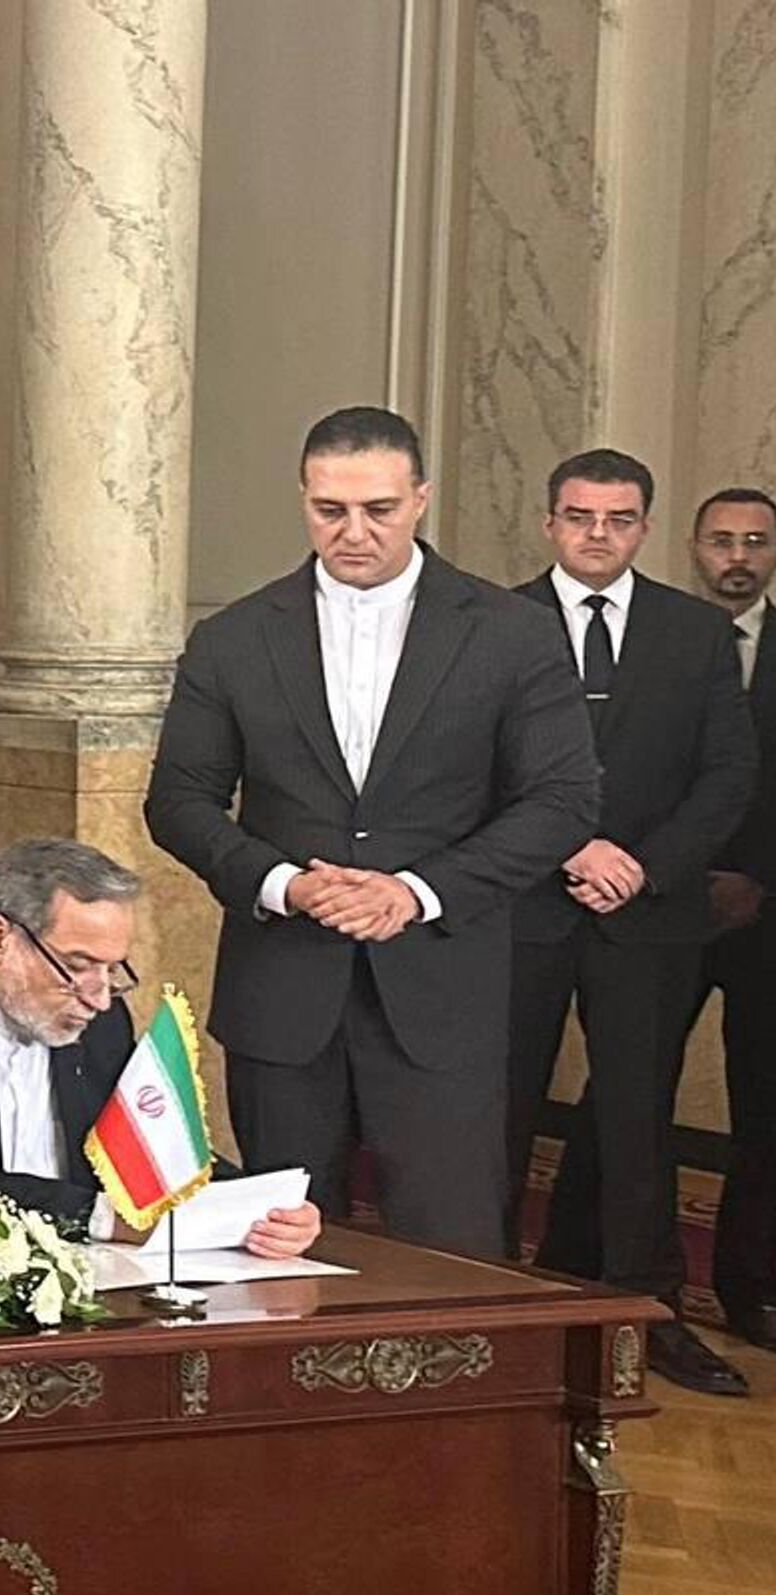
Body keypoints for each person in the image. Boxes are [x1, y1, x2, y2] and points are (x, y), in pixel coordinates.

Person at [144, 406, 601, 1258]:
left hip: (443, 989)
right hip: (282, 991)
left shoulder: (512, 632)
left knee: (450, 1250)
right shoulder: (233, 636)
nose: (353, 532)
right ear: (303, 500)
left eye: (379, 510)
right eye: (330, 510)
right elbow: (178, 799)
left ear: (421, 499)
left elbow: (563, 800)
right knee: (274, 1251)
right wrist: (284, 883)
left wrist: (415, 893)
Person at [504, 453, 759, 1395]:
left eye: (618, 519)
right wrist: (575, 848)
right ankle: (488, 1300)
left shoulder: (697, 632)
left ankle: (648, 1313)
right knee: (498, 1109)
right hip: (524, 906)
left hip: (649, 913)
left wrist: (643, 868)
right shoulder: (494, 622)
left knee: (638, 1117)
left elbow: (728, 774)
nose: (597, 534)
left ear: (646, 528)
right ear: (550, 523)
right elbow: (473, 767)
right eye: (580, 516)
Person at [0, 839, 323, 1257]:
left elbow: (148, 1135)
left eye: (111, 969)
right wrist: (101, 1217)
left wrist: (259, 1207)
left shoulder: (101, 1019)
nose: (98, 997)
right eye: (77, 967)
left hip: (87, 1267)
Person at [680, 487, 776, 1350]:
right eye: (722, 540)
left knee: (765, 1104)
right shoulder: (664, 640)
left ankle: (752, 1288)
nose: (738, 557)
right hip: (664, 905)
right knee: (626, 1091)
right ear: (693, 547)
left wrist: (757, 879)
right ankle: (613, 1271)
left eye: (755, 541)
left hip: (768, 917)